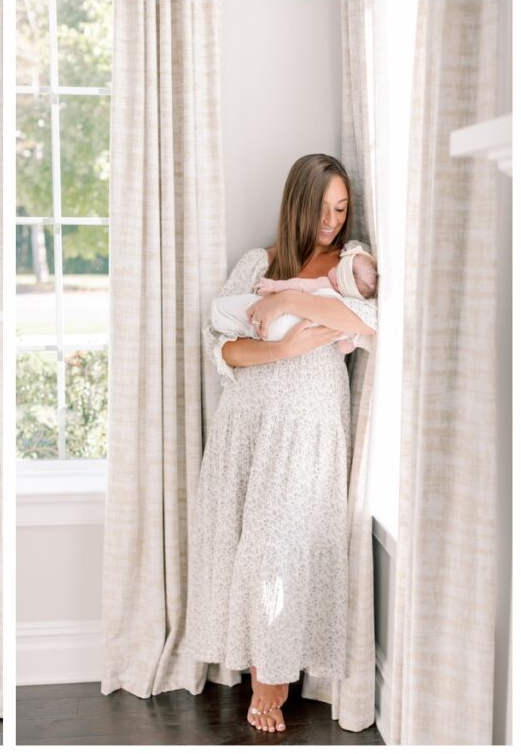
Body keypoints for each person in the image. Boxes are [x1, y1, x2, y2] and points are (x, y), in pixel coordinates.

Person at [180, 154, 377, 734]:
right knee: (245, 547)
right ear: (297, 204)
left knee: (278, 549)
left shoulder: (350, 265)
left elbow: (370, 320)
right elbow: (219, 346)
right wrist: (282, 350)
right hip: (249, 425)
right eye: (322, 208)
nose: (332, 221)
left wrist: (289, 301)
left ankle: (274, 678)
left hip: (309, 427)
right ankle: (261, 664)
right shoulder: (256, 262)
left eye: (341, 209)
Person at [211, 244, 378, 354]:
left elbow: (300, 285)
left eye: (340, 209)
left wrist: (277, 288)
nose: (331, 220)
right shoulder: (345, 311)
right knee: (249, 323)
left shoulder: (325, 283)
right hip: (284, 332)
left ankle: (220, 315)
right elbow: (344, 347)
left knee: (237, 310)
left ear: (337, 280)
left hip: (283, 323)